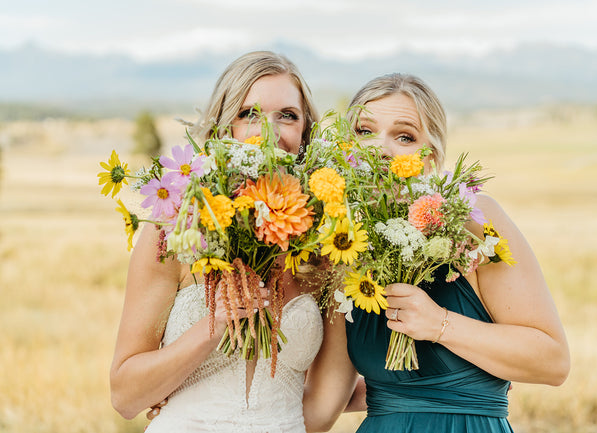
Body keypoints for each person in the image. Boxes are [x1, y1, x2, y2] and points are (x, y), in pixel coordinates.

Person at [109, 51, 357, 433]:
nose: (268, 131)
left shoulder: (329, 245)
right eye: (249, 114)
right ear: (225, 129)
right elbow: (126, 398)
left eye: (287, 115)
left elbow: (323, 408)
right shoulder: (174, 230)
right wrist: (216, 323)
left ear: (306, 131)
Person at [332, 73, 570, 432]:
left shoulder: (473, 221)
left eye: (404, 136)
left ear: (432, 158)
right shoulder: (344, 244)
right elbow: (329, 399)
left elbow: (553, 362)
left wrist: (439, 325)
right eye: (364, 132)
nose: (380, 148)